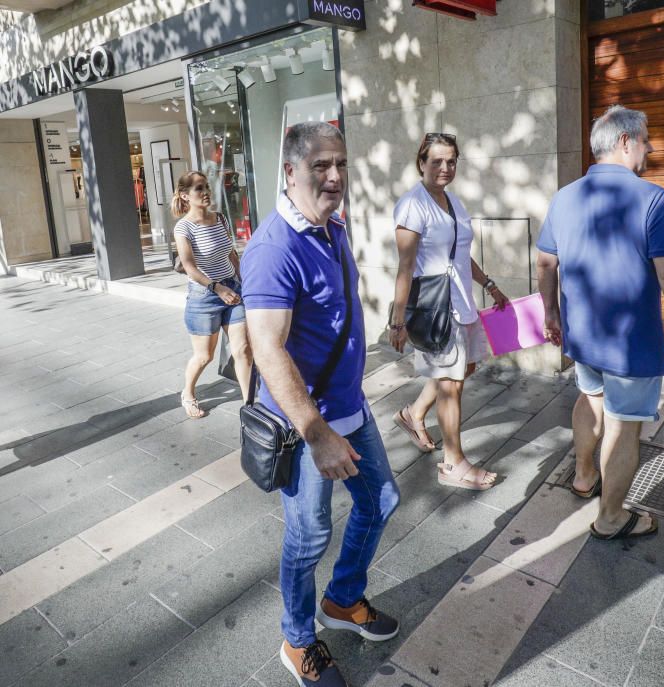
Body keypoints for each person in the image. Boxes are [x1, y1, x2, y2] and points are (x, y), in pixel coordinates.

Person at [242, 122, 401, 686]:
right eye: (320, 166)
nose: (334, 176)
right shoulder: (271, 248)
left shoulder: (331, 228)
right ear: (290, 172)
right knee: (309, 534)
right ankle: (297, 638)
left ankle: (342, 601)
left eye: (340, 164)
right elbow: (267, 347)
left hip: (349, 407)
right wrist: (316, 431)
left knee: (381, 499)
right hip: (305, 425)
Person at [537, 105, 664, 541]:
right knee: (623, 425)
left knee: (589, 398)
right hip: (628, 343)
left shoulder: (564, 197)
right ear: (624, 142)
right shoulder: (652, 198)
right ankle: (611, 517)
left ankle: (583, 477)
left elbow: (545, 263)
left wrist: (552, 313)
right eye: (646, 139)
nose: (650, 147)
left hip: (582, 334)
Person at [388, 133, 510, 490]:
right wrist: (398, 321)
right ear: (421, 163)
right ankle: (453, 463)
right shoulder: (413, 205)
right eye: (437, 161)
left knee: (464, 369)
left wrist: (489, 285)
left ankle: (413, 415)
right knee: (451, 385)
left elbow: (461, 253)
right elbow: (405, 267)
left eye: (451, 161)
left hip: (462, 302)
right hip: (436, 307)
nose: (445, 167)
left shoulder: (453, 201)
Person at [172, 171, 252, 416]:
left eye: (206, 186)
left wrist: (243, 280)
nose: (206, 192)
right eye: (199, 188)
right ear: (185, 195)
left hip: (232, 290)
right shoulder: (183, 228)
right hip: (205, 295)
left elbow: (231, 253)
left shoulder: (220, 218)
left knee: (243, 350)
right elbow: (189, 267)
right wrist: (217, 288)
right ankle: (188, 392)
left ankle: (250, 404)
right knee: (204, 356)